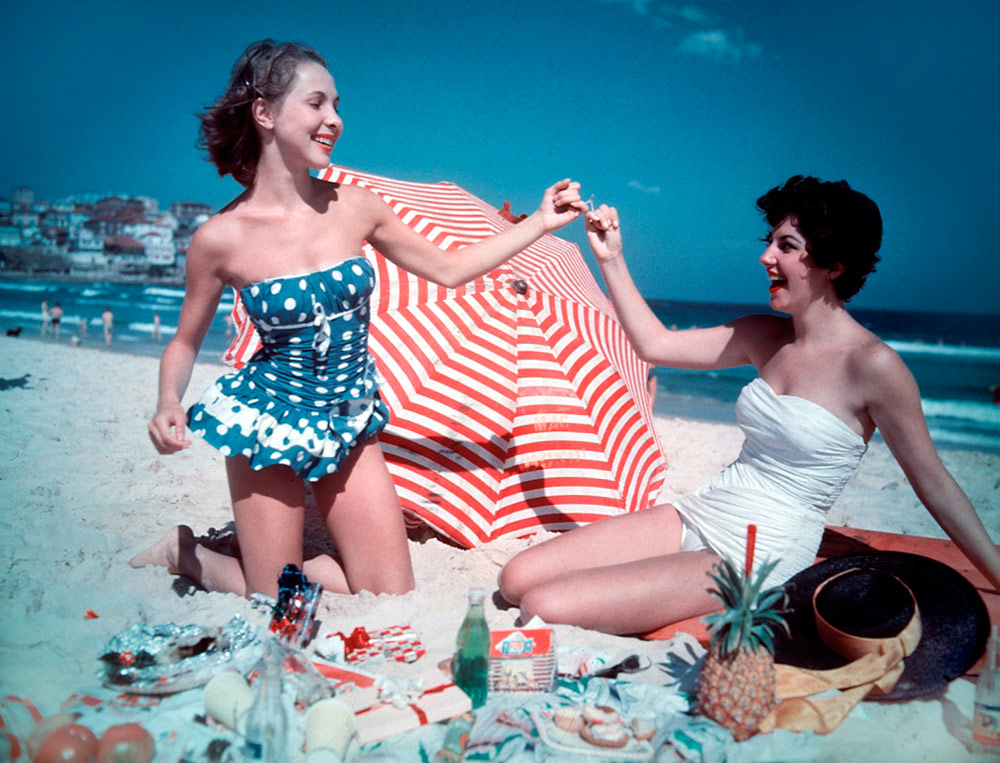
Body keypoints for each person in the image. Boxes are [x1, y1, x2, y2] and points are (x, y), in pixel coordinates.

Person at [131, 39, 586, 599]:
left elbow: (448, 269)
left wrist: (538, 222)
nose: (335, 120)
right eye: (317, 103)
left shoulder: (356, 205)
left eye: (337, 105)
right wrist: (168, 402)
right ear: (265, 113)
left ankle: (247, 564)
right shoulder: (220, 238)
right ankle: (188, 554)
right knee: (276, 598)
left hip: (349, 414)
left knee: (388, 592)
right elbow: (184, 341)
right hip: (267, 418)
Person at [498, 175, 1000, 635]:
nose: (766, 258)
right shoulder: (762, 334)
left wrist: (994, 567)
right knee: (516, 578)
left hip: (761, 550)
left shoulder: (874, 366)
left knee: (545, 605)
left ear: (834, 264)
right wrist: (611, 257)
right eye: (770, 244)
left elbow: (932, 480)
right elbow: (655, 345)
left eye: (787, 246)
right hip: (706, 508)